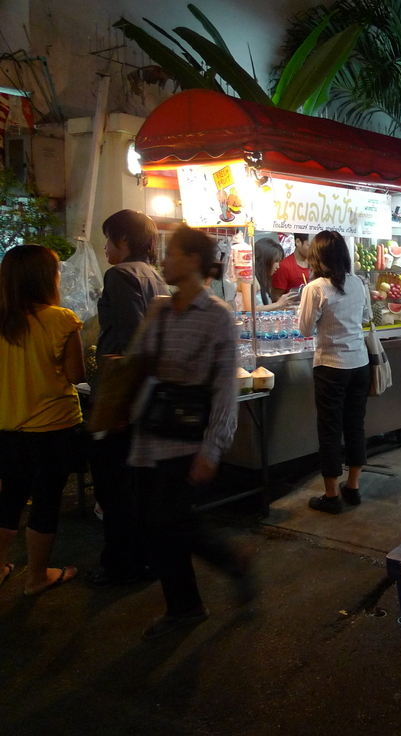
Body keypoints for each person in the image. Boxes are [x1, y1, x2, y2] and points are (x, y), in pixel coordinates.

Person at [129, 225, 253, 639]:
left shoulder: (218, 317)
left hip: (187, 438)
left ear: (194, 262)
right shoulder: (160, 309)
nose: (164, 259)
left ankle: (197, 594)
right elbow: (140, 363)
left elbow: (224, 388)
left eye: (173, 253)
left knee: (169, 521)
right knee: (160, 523)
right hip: (152, 432)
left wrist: (212, 449)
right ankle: (195, 594)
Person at [87, 210, 168, 587]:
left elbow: (135, 339)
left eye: (108, 239)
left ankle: (122, 564)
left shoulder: (119, 275)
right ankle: (148, 558)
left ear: (124, 240)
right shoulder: (156, 277)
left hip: (123, 395)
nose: (105, 248)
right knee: (137, 484)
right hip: (149, 394)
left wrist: (120, 405)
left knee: (113, 484)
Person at [0, 245, 85, 595]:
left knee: (9, 499)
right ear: (46, 278)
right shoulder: (61, 319)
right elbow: (75, 374)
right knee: (47, 499)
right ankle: (37, 577)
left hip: (7, 426)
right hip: (54, 427)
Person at [299, 231, 372, 514]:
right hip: (359, 364)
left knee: (330, 430)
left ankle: (331, 496)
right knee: (355, 425)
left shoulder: (315, 288)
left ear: (318, 257)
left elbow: (305, 329)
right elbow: (365, 317)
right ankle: (352, 488)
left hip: (331, 367)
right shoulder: (358, 283)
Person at [239, 237, 298, 312]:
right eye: (276, 261)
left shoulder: (261, 280)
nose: (278, 266)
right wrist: (278, 304)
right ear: (265, 260)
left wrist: (283, 305)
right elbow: (250, 309)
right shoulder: (248, 279)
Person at [270, 232, 311, 301]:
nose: (313, 250)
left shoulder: (315, 264)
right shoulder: (284, 266)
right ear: (298, 242)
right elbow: (276, 296)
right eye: (309, 246)